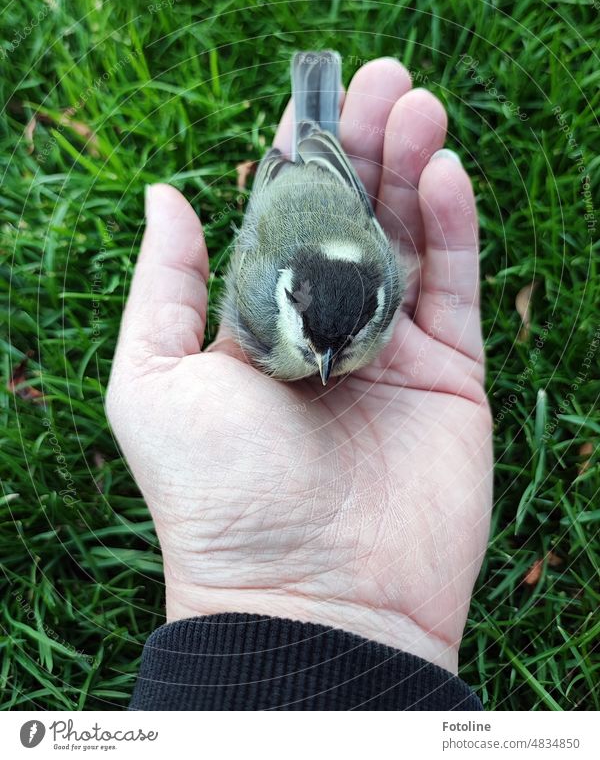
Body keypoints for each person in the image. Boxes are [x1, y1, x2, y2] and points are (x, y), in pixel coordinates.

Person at [106, 57, 493, 710]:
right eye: (313, 346)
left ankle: (315, 106)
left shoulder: (382, 284)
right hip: (296, 188)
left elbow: (359, 227)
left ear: (376, 305)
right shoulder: (264, 307)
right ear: (291, 298)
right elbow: (274, 214)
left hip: (323, 182)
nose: (323, 366)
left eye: (339, 349)